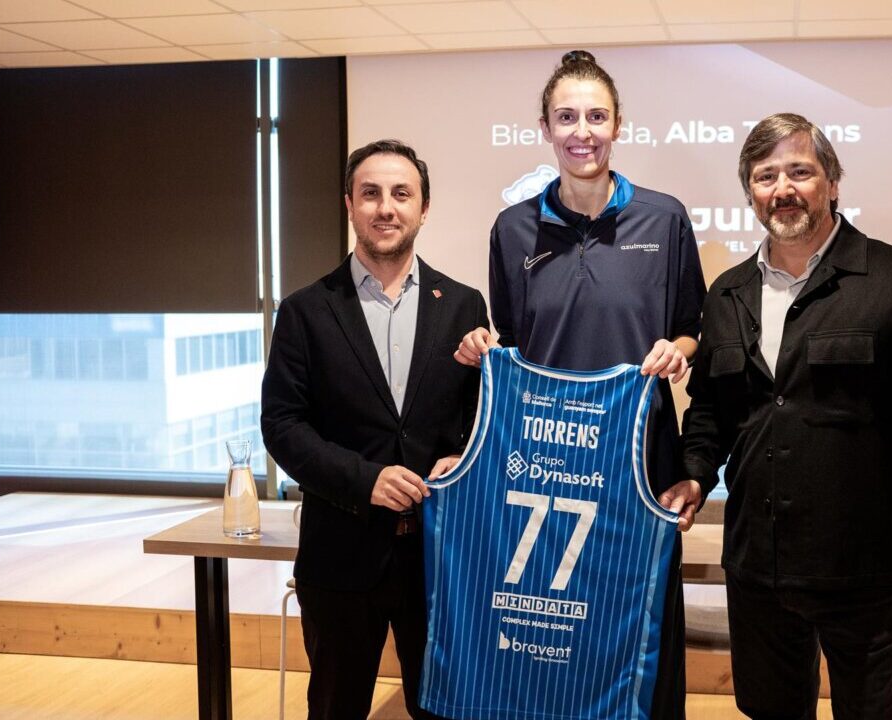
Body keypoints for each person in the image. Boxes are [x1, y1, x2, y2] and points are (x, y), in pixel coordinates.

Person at [681, 113, 892, 720]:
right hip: (758, 568)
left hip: (866, 571)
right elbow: (712, 412)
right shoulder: (727, 294)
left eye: (800, 171)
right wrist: (693, 472)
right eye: (765, 176)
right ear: (750, 192)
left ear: (833, 183)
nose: (782, 189)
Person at [454, 50, 707, 720]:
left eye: (596, 116)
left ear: (618, 124)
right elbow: (514, 343)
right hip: (547, 465)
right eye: (566, 117)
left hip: (638, 461)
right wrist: (485, 349)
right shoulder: (513, 229)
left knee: (642, 640)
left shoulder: (665, 218)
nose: (582, 131)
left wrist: (676, 352)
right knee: (553, 640)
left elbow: (691, 328)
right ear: (545, 127)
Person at [261, 139, 488, 720]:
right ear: (349, 204)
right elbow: (282, 425)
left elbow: (483, 420)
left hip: (442, 561)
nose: (386, 207)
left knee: (445, 711)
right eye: (371, 193)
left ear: (423, 208)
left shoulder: (464, 306)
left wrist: (463, 458)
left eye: (401, 194)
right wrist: (366, 480)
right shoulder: (305, 310)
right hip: (339, 557)